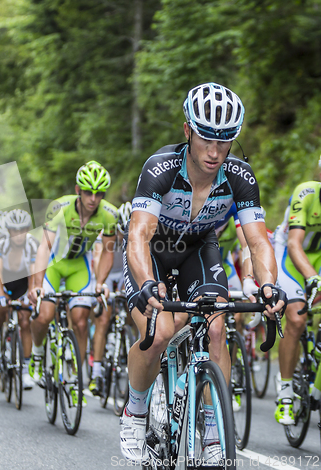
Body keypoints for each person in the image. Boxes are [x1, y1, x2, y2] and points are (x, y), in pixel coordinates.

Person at [120, 82, 286, 464]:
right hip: (155, 252)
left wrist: (268, 286)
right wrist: (146, 282)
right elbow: (139, 234)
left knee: (216, 325)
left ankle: (213, 430)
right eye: (206, 140)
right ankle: (136, 411)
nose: (215, 153)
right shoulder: (160, 168)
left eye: (225, 142)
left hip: (199, 248)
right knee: (159, 331)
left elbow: (259, 243)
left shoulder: (241, 177)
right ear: (187, 132)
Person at [28, 161, 118, 399]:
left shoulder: (110, 214)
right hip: (55, 265)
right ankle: (37, 353)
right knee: (44, 314)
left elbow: (108, 251)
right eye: (88, 192)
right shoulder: (59, 207)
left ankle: (78, 376)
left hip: (79, 266)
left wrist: (100, 282)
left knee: (80, 321)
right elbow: (45, 246)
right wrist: (37, 284)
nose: (93, 198)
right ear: (78, 190)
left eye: (99, 194)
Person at [274, 157, 321, 424]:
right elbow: (294, 244)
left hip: (319, 257)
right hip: (291, 257)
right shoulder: (306, 193)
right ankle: (285, 394)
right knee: (297, 318)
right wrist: (312, 277)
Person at [0, 209, 39, 390]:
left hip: (22, 282)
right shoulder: (0, 242)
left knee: (25, 321)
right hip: (4, 279)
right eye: (14, 231)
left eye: (22, 230)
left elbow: (33, 273)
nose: (19, 235)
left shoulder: (32, 243)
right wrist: (1, 295)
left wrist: (30, 294)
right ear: (8, 231)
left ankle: (26, 370)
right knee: (0, 305)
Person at [89, 202, 132, 395]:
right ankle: (96, 373)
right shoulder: (105, 236)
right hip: (104, 274)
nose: (122, 237)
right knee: (104, 318)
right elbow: (98, 259)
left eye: (126, 233)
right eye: (120, 232)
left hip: (123, 275)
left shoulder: (135, 236)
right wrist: (101, 284)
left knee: (133, 313)